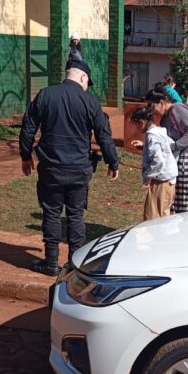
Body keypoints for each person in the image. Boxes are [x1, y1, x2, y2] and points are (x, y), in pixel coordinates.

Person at [19, 58, 119, 276]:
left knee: (51, 214)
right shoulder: (90, 102)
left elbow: (28, 128)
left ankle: (51, 263)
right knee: (75, 216)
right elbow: (103, 135)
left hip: (51, 170)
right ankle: (76, 266)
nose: (86, 85)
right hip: (78, 171)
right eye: (87, 81)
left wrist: (26, 157)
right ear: (82, 77)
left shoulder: (45, 95)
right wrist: (113, 161)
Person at [146, 84, 188, 213]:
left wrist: (175, 146)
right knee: (172, 201)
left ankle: (183, 231)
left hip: (186, 161)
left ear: (161, 102)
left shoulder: (177, 109)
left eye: (152, 106)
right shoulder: (166, 116)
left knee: (182, 203)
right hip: (177, 161)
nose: (151, 110)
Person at [129, 106, 178, 220]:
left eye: (136, 125)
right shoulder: (160, 131)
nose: (136, 128)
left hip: (161, 182)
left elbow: (158, 161)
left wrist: (148, 176)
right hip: (169, 181)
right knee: (163, 216)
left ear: (141, 122)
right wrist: (144, 145)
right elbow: (166, 148)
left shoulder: (151, 136)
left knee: (153, 217)